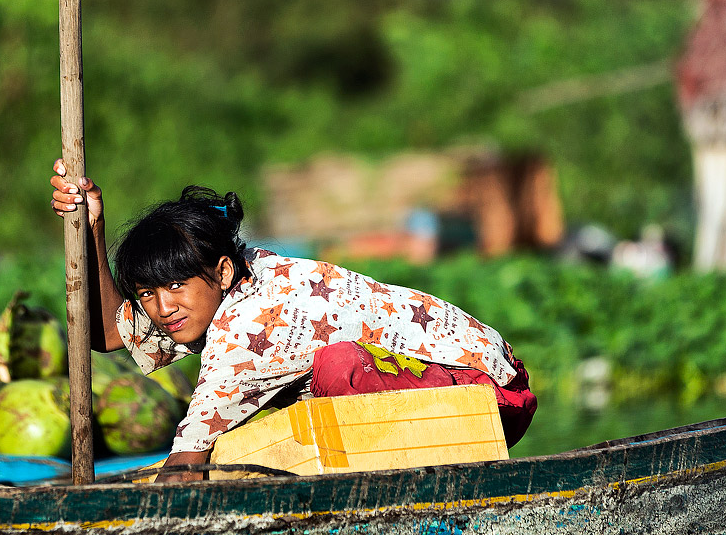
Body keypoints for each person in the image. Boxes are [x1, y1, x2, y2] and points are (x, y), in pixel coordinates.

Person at [50, 161, 537, 482]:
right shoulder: (238, 274)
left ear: (220, 271)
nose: (162, 307)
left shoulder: (251, 324)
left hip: (484, 392)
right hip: (448, 387)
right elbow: (109, 332)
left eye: (176, 286)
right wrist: (92, 227)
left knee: (335, 368)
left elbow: (184, 466)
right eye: (147, 294)